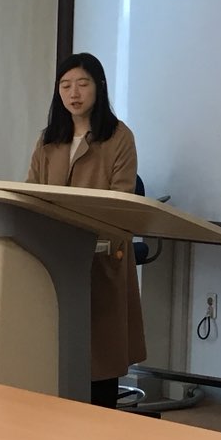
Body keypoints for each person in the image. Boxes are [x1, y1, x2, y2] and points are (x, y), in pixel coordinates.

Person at [26, 52, 144, 408]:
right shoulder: (49, 140)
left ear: (99, 87)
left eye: (82, 84)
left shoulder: (118, 137)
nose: (73, 93)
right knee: (55, 354)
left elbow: (121, 202)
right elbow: (30, 193)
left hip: (101, 256)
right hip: (54, 255)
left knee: (100, 358)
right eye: (65, 86)